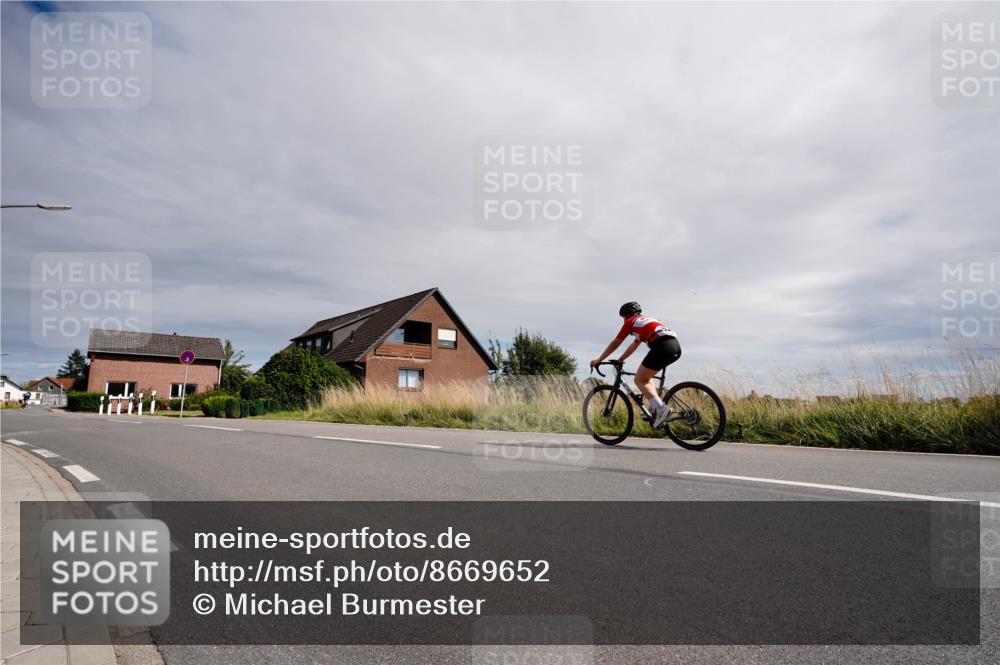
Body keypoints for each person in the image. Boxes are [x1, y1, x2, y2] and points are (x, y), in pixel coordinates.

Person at [589, 301, 681, 428]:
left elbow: (616, 342)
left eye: (623, 318)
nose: (623, 321)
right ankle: (655, 408)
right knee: (646, 378)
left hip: (661, 346)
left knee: (639, 380)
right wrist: (620, 359)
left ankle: (661, 409)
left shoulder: (630, 322)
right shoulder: (646, 321)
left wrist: (599, 359)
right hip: (674, 346)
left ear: (627, 315)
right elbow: (635, 344)